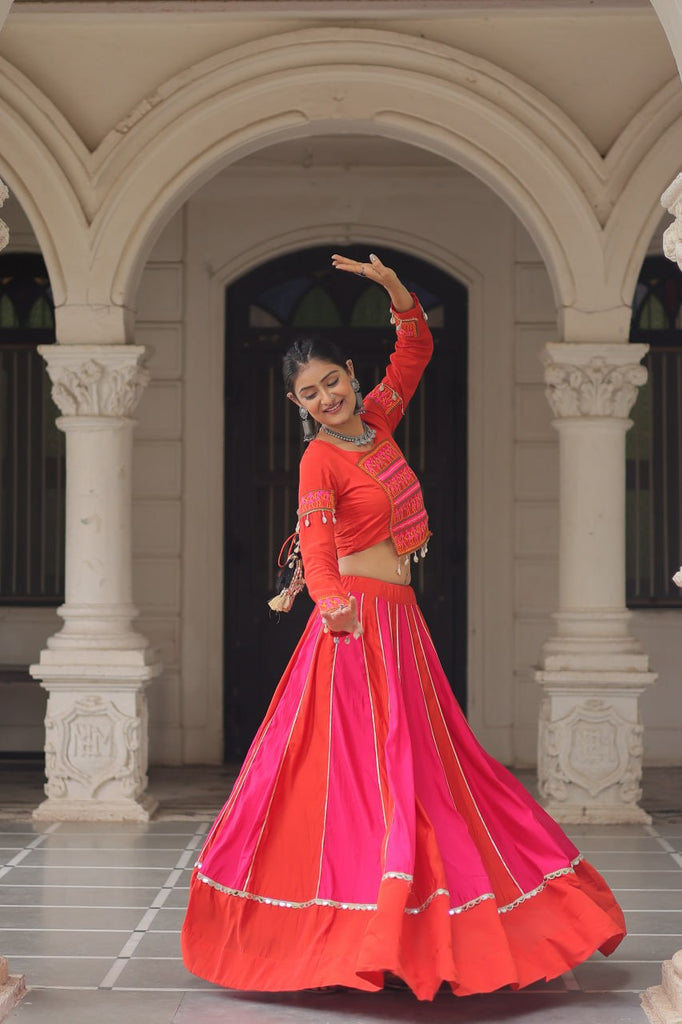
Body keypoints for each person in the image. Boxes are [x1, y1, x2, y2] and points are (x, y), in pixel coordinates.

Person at [181, 252, 626, 1001]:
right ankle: (367, 932)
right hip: (355, 631)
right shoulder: (319, 460)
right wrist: (333, 606)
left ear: (350, 375)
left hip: (402, 626)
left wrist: (394, 292)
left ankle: (411, 930)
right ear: (298, 403)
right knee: (367, 783)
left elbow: (415, 350)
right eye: (308, 392)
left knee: (428, 777)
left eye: (330, 381)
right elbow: (317, 548)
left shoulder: (377, 423)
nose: (324, 397)